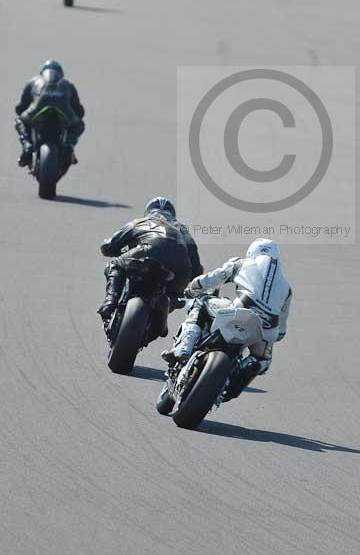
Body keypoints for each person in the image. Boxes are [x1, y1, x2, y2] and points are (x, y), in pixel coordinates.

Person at [162, 238, 292, 400]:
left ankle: (184, 347)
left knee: (200, 302)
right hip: (266, 328)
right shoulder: (286, 287)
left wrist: (192, 289)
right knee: (262, 360)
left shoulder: (242, 263)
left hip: (239, 310)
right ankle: (234, 381)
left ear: (252, 252)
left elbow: (211, 279)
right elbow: (281, 331)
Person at [97, 197, 203, 338]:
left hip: (147, 250)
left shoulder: (139, 222)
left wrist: (119, 250)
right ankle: (164, 314)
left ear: (148, 212)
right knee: (174, 295)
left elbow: (109, 246)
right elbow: (196, 269)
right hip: (180, 265)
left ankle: (110, 302)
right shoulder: (183, 230)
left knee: (115, 264)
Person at [14, 60, 85, 167]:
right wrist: (75, 117)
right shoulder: (68, 85)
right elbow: (79, 110)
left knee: (20, 121)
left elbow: (19, 107)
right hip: (63, 114)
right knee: (79, 124)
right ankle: (69, 144)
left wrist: (24, 112)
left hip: (36, 113)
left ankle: (27, 145)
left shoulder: (32, 81)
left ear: (42, 72)